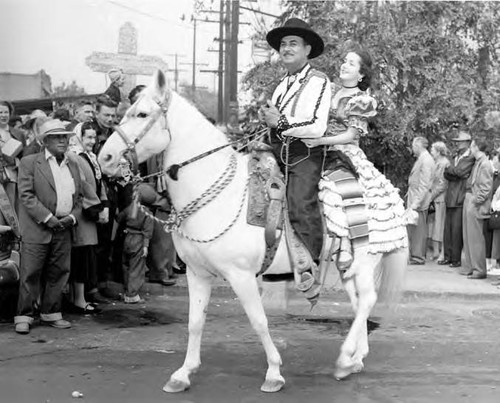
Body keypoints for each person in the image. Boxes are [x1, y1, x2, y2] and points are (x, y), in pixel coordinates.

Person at [302, 46, 407, 273]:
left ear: (361, 74)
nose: (344, 65)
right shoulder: (330, 91)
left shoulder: (362, 99)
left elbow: (351, 135)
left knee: (337, 192)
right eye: (344, 60)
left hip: (344, 153)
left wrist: (321, 141)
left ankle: (346, 243)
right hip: (319, 150)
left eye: (351, 63)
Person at [261, 18, 331, 292]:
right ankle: (269, 259)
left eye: (293, 43)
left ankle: (308, 267)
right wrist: (266, 122)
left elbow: (317, 126)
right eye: (283, 44)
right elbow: (276, 121)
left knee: (300, 202)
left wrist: (279, 122)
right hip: (278, 151)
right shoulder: (282, 84)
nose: (286, 49)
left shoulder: (319, 82)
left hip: (305, 154)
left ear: (306, 49)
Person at [14, 119, 83, 334]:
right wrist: (48, 217)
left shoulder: (73, 163)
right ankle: (24, 315)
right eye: (57, 137)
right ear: (45, 141)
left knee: (59, 271)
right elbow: (26, 195)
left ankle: (51, 312)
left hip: (64, 227)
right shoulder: (29, 162)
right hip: (38, 227)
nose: (63, 140)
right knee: (30, 273)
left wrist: (72, 217)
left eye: (65, 137)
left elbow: (79, 197)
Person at [67, 122, 109, 312]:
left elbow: (99, 183)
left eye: (94, 137)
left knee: (87, 257)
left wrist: (104, 204)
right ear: (79, 137)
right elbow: (82, 185)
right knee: (81, 257)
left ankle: (82, 298)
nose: (92, 141)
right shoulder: (75, 157)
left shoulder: (90, 157)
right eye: (88, 137)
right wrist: (97, 208)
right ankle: (79, 300)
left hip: (91, 214)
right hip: (83, 214)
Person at [438, 131, 475, 268]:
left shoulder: (470, 157)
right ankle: (447, 257)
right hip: (451, 196)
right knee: (447, 229)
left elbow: (459, 172)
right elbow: (448, 173)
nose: (457, 143)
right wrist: (453, 172)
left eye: (460, 141)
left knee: (456, 230)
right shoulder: (455, 156)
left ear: (467, 142)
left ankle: (456, 259)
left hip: (459, 197)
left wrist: (452, 171)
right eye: (457, 141)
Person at [115, 184, 154, 304]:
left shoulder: (130, 208)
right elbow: (147, 232)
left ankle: (127, 291)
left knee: (126, 266)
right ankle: (132, 295)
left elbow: (118, 218)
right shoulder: (147, 213)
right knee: (136, 268)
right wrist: (146, 246)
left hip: (127, 238)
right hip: (138, 240)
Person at [461, 138, 493, 279]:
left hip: (476, 204)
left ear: (477, 148)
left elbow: (486, 188)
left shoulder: (485, 164)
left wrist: (475, 201)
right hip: (471, 200)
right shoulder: (478, 162)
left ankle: (479, 269)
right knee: (467, 237)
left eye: (472, 146)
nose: (471, 149)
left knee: (475, 238)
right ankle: (470, 267)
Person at [406, 137, 436, 265]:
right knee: (414, 228)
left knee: (419, 229)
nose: (412, 149)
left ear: (418, 146)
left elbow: (424, 185)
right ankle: (415, 254)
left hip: (420, 201)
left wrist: (416, 203)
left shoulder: (426, 160)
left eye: (413, 146)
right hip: (415, 198)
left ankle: (418, 256)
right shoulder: (423, 159)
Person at [0, 101, 26, 208]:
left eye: (6, 112)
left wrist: (19, 161)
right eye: (0, 112)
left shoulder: (18, 134)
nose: (3, 115)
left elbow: (24, 155)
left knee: (13, 208)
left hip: (13, 176)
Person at [428, 141, 450, 261]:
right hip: (435, 197)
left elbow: (443, 184)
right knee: (435, 225)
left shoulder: (444, 163)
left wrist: (431, 196)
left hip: (440, 198)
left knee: (440, 225)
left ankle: (442, 252)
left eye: (432, 150)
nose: (431, 152)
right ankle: (436, 251)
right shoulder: (437, 162)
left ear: (438, 151)